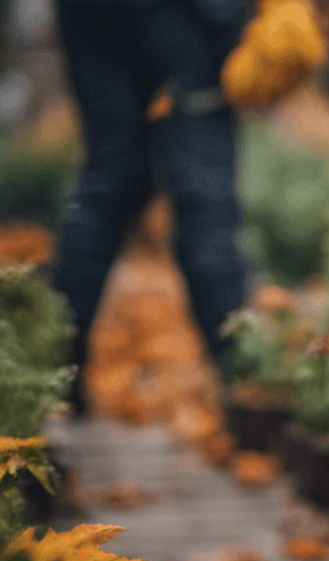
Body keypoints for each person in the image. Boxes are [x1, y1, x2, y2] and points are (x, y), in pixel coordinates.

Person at [53, 0, 250, 407]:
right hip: (186, 18)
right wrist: (236, 22)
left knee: (110, 177)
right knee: (203, 193)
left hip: (88, 14)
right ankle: (243, 380)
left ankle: (54, 371)